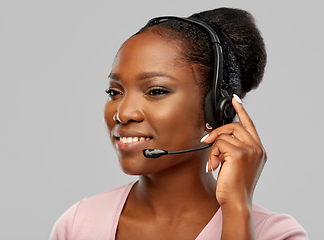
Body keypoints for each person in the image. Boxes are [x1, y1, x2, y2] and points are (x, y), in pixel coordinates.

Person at [49, 7, 308, 240]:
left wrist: (237, 209)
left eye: (156, 91)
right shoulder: (77, 225)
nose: (123, 112)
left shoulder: (276, 234)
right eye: (114, 92)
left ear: (218, 109)